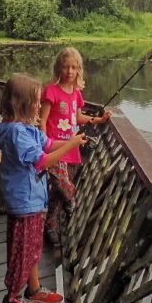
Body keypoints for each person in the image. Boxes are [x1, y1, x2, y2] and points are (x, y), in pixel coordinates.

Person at [0, 73, 87, 303]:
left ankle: (33, 290)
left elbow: (47, 144)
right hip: (23, 202)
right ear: (21, 103)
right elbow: (42, 160)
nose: (39, 104)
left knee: (33, 248)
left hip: (33, 201)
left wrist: (71, 140)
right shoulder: (15, 133)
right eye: (35, 100)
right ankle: (11, 299)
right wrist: (71, 146)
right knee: (21, 252)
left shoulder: (26, 129)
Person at [40, 47, 111, 246]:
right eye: (65, 67)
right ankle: (72, 197)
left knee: (56, 194)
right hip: (54, 148)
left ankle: (51, 227)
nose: (69, 71)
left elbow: (77, 117)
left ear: (78, 69)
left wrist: (98, 120)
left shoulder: (76, 93)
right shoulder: (51, 91)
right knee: (60, 183)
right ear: (58, 68)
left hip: (72, 148)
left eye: (73, 67)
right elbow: (42, 119)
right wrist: (44, 144)